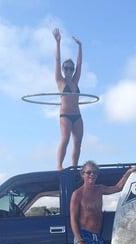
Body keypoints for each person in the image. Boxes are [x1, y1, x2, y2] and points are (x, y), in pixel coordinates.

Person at [70, 161, 136, 244]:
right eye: (89, 172)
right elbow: (73, 219)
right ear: (82, 174)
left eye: (95, 173)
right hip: (84, 236)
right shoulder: (77, 194)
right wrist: (79, 240)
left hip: (98, 238)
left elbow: (118, 188)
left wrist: (128, 172)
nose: (92, 175)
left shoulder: (99, 189)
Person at [53, 28, 83, 170]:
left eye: (71, 68)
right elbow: (57, 61)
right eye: (67, 69)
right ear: (64, 70)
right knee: (65, 140)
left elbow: (80, 65)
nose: (69, 71)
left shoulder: (75, 81)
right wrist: (58, 42)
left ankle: (75, 167)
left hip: (77, 115)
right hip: (65, 115)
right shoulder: (60, 81)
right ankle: (59, 166)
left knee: (77, 142)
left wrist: (80, 47)